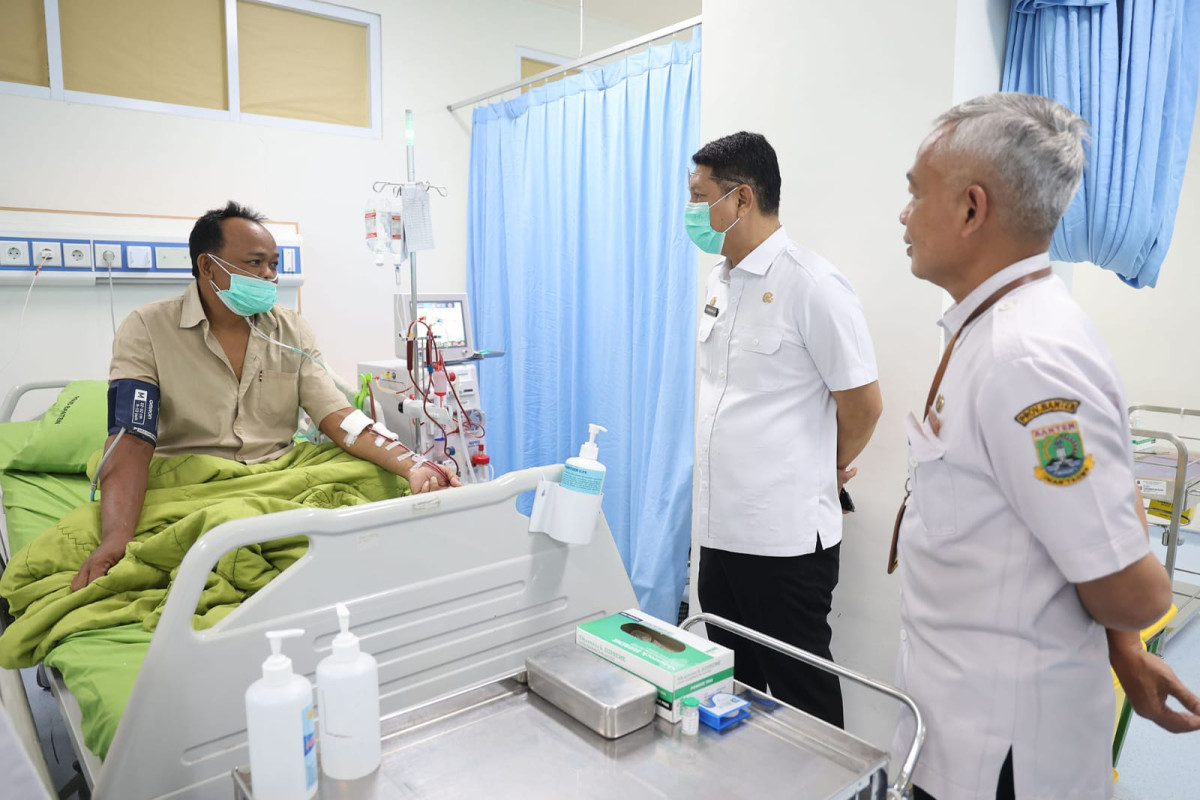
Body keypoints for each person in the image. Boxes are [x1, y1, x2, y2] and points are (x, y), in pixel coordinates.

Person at [893, 92, 1199, 800]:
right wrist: (1124, 647)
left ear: (972, 209)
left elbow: (1130, 589)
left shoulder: (1025, 358)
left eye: (915, 194)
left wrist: (1133, 615)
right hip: (957, 718)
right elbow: (1069, 525)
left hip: (999, 757)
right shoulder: (993, 328)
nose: (903, 215)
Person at [72, 202, 458, 590]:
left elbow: (338, 417)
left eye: (274, 264)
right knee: (211, 526)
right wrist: (115, 538)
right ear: (207, 266)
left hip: (281, 473)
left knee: (377, 476)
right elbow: (132, 438)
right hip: (196, 479)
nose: (269, 275)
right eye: (255, 263)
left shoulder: (290, 329)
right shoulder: (147, 328)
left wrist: (414, 464)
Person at [689, 132, 883, 728]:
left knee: (804, 696)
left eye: (700, 197)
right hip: (719, 528)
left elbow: (863, 404)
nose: (692, 211)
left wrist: (827, 467)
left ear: (741, 199)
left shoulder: (813, 285)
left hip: (784, 539)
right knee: (731, 687)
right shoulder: (720, 281)